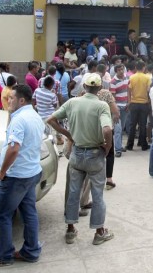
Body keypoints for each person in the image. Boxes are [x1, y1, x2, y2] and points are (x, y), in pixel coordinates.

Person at [46, 73, 114, 246]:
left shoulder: (72, 102)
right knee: (97, 194)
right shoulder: (101, 105)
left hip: (77, 153)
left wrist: (69, 134)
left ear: (84, 87)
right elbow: (107, 130)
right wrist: (106, 148)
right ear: (99, 89)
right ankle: (99, 232)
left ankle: (70, 230)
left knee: (73, 192)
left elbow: (51, 119)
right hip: (94, 154)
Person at [0, 84, 45, 266]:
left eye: (11, 98)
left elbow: (14, 148)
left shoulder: (20, 119)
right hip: (31, 172)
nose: (8, 101)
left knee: (0, 214)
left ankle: (4, 255)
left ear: (21, 100)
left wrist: (2, 171)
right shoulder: (34, 116)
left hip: (17, 176)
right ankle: (31, 251)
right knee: (28, 212)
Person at [126, 60, 151, 151]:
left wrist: (129, 101)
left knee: (132, 125)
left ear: (136, 68)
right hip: (144, 103)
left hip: (134, 103)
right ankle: (143, 145)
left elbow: (128, 90)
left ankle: (130, 145)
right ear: (144, 67)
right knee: (143, 125)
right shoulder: (147, 78)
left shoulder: (132, 77)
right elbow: (149, 90)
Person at [110, 64, 129, 157]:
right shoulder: (113, 82)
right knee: (118, 129)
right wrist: (115, 109)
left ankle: (119, 146)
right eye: (120, 70)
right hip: (117, 107)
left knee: (122, 127)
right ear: (116, 71)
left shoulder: (127, 78)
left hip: (125, 106)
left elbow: (129, 91)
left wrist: (129, 102)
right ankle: (118, 149)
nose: (122, 71)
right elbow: (113, 97)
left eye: (123, 69)